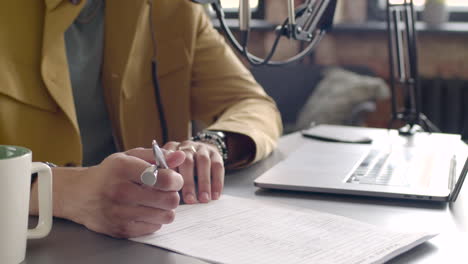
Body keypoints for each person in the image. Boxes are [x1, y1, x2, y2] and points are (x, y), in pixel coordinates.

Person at [0, 0, 282, 238]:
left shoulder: (173, 11)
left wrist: (212, 144)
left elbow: (253, 104)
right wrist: (59, 191)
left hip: (146, 240)